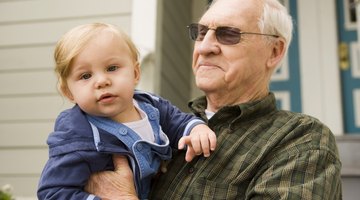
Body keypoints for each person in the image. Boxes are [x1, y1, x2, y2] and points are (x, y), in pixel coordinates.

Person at [85, 0, 343, 199]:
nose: (204, 47)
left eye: (228, 34)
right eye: (200, 32)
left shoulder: (301, 141)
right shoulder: (158, 125)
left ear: (274, 51)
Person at [37, 22, 217, 200]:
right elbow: (52, 192)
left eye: (112, 68)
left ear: (135, 73)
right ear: (69, 92)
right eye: (85, 76)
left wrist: (197, 129)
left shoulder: (150, 105)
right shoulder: (76, 136)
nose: (102, 81)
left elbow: (177, 121)